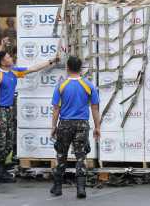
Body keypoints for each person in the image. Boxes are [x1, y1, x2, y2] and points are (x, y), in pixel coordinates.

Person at [0, 50, 59, 184]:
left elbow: (33, 69)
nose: (11, 58)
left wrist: (51, 61)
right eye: (8, 57)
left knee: (8, 143)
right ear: (3, 62)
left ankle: (0, 170)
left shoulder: (14, 72)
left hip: (9, 110)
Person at [50, 56, 100, 199]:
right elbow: (95, 108)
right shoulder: (89, 85)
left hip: (65, 123)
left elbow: (56, 109)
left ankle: (58, 187)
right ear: (81, 68)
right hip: (82, 124)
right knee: (81, 156)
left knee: (61, 155)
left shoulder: (61, 85)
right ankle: (81, 188)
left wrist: (53, 126)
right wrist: (98, 127)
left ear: (67, 67)